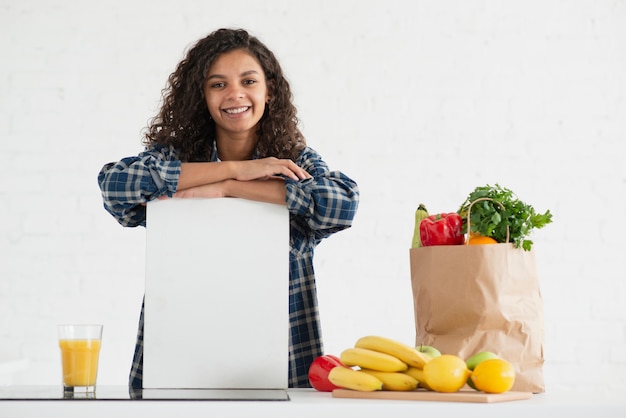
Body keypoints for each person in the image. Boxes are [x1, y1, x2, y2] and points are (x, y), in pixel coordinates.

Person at [97, 28, 360, 388]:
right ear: (201, 96)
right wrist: (236, 169)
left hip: (279, 356)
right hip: (179, 351)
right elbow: (114, 186)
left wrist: (228, 188)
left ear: (269, 90)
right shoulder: (178, 157)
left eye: (248, 80)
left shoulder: (294, 162)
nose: (235, 94)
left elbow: (341, 204)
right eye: (217, 84)